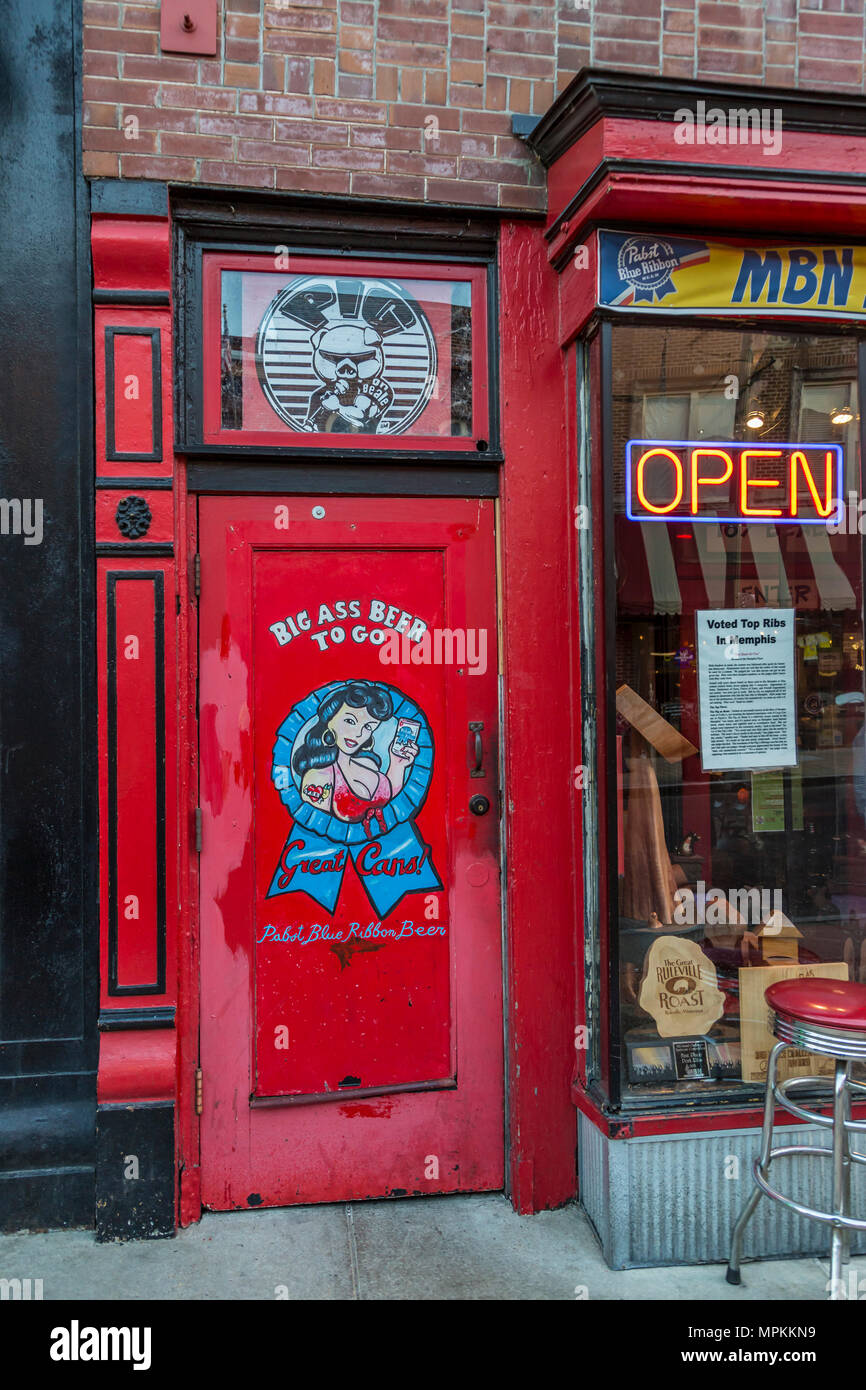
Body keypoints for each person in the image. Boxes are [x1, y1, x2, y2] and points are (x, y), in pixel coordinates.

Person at [291, 681, 419, 837]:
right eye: (350, 721)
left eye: (368, 727)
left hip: (389, 854)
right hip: (341, 858)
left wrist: (398, 765)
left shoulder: (368, 763)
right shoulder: (318, 778)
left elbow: (389, 797)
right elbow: (318, 834)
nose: (358, 733)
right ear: (330, 720)